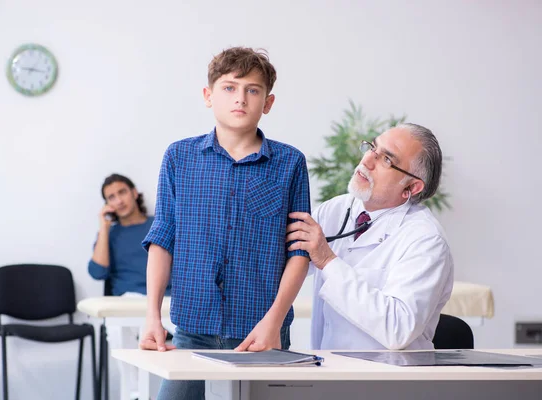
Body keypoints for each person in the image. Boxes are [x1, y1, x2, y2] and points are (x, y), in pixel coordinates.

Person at [140, 47, 311, 400]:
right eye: (230, 88)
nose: (241, 99)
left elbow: (299, 251)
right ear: (208, 96)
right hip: (192, 328)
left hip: (263, 331)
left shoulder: (289, 163)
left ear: (268, 102)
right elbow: (163, 239)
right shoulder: (179, 157)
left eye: (252, 90)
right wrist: (153, 316)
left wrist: (274, 321)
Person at [287, 123, 454, 351]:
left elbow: (398, 329)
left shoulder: (426, 240)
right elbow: (284, 264)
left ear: (411, 188)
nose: (366, 161)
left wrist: (327, 261)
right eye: (372, 147)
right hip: (328, 372)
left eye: (386, 159)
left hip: (387, 380)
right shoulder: (334, 211)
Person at [88, 173, 172, 400]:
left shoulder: (159, 224)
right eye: (111, 197)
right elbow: (98, 272)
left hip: (165, 300)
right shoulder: (111, 235)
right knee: (115, 328)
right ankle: (135, 395)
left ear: (134, 193)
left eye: (122, 192)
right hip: (128, 300)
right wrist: (104, 228)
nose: (118, 200)